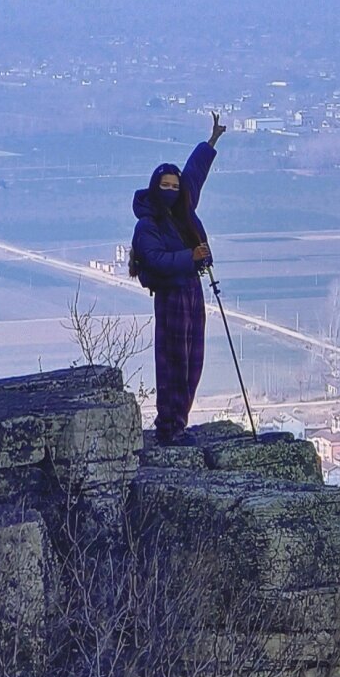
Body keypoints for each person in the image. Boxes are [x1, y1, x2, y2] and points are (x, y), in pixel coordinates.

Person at [130, 109, 227, 443]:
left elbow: (194, 175)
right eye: (165, 185)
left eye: (174, 185)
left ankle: (179, 422)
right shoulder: (148, 224)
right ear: (155, 188)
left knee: (192, 360)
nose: (172, 190)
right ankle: (169, 426)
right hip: (172, 296)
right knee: (173, 361)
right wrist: (192, 256)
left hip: (191, 292)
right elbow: (154, 260)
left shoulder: (182, 212)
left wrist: (210, 142)